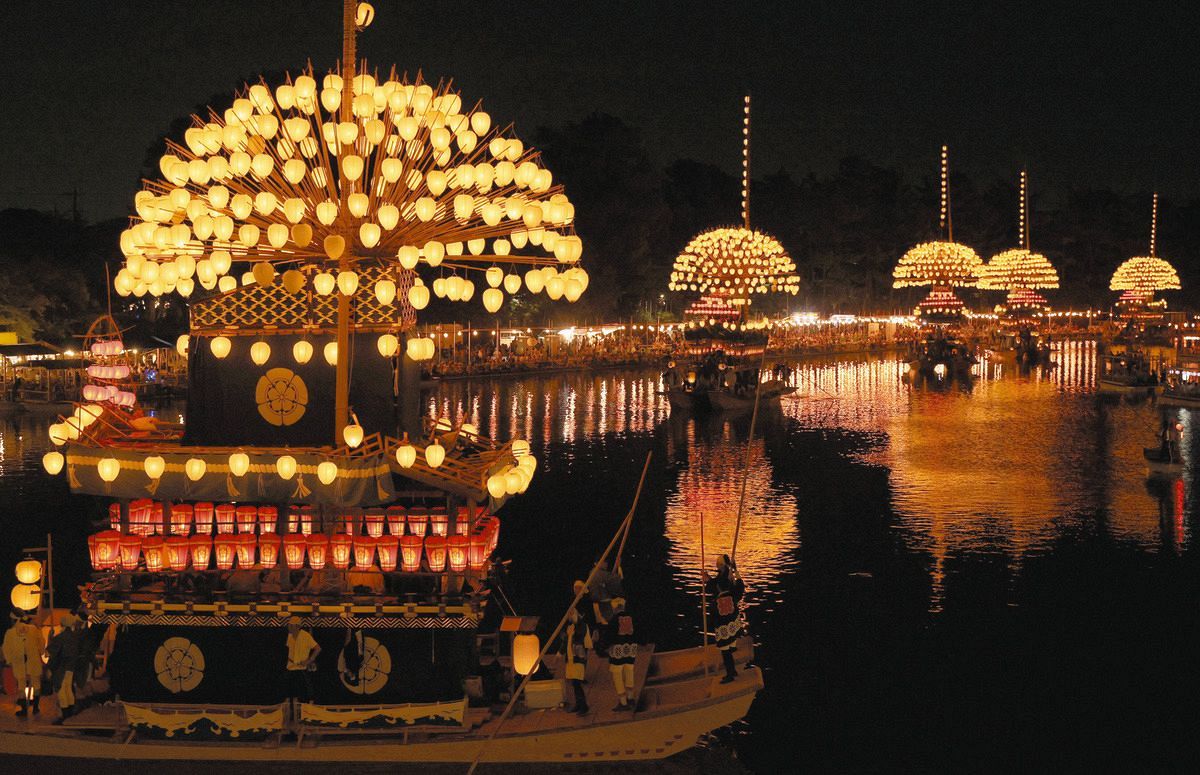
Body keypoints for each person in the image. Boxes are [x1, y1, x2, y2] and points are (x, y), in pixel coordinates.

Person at [705, 554, 746, 684]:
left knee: (724, 647)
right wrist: (735, 570)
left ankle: (730, 673)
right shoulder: (730, 578)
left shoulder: (724, 579)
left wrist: (707, 580)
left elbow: (713, 587)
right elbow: (739, 588)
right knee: (730, 641)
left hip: (723, 616)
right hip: (731, 614)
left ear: (721, 566)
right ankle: (732, 667)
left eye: (718, 565)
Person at [2, 612, 45, 717]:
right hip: (33, 660)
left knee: (21, 684)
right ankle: (35, 708)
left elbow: (6, 648)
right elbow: (41, 642)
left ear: (13, 619)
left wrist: (9, 660)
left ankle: (24, 710)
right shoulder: (33, 629)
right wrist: (41, 651)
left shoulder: (10, 632)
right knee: (36, 683)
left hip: (19, 661)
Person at [47, 613, 86, 722]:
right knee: (68, 689)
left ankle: (65, 716)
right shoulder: (75, 637)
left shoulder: (60, 638)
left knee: (61, 690)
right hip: (71, 667)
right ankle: (70, 715)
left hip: (61, 667)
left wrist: (50, 638)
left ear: (61, 624)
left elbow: (51, 653)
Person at [600, 598, 637, 711]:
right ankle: (630, 697)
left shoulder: (614, 620)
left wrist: (602, 648)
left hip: (617, 652)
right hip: (630, 650)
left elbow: (608, 637)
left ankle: (623, 702)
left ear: (615, 608)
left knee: (617, 675)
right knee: (629, 672)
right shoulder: (632, 618)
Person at [560, 606, 589, 715]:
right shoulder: (570, 625)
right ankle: (579, 704)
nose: (570, 616)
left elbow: (580, 636)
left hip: (578, 657)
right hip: (570, 657)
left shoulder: (581, 625)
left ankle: (584, 706)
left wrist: (572, 632)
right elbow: (566, 640)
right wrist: (559, 653)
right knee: (574, 682)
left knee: (577, 682)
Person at [284, 616, 320, 703]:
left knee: (305, 694)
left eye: (291, 626)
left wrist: (309, 660)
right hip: (290, 667)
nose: (289, 627)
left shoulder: (305, 636)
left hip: (301, 668)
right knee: (288, 693)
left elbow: (318, 648)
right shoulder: (289, 636)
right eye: (289, 625)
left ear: (297, 626)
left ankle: (307, 711)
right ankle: (288, 711)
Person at [589, 560, 624, 627]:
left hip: (604, 604)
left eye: (606, 563)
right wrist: (619, 566)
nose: (606, 564)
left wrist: (618, 566)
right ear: (596, 563)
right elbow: (618, 580)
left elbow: (615, 580)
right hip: (603, 604)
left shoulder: (597, 573)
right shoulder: (597, 573)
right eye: (604, 563)